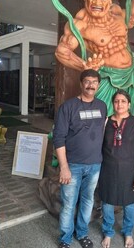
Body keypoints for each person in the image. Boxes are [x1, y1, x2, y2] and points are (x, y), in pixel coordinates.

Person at [54, 0, 134, 115]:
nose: (97, 2)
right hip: (108, 77)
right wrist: (83, 66)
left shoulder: (116, 12)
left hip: (131, 74)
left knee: (126, 116)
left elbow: (130, 20)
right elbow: (61, 52)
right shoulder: (80, 24)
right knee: (102, 116)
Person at [53, 69, 107, 248]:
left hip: (94, 165)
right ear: (81, 84)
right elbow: (58, 137)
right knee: (69, 203)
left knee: (87, 200)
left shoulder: (102, 106)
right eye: (87, 81)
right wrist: (64, 167)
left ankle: (82, 233)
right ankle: (65, 239)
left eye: (94, 82)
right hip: (73, 165)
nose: (90, 85)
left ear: (98, 85)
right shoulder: (68, 107)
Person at [98, 90, 134, 248]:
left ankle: (128, 232)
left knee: (130, 203)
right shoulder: (106, 123)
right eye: (116, 101)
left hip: (129, 171)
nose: (119, 104)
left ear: (129, 104)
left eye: (123, 101)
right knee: (107, 201)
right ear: (113, 104)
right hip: (108, 170)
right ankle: (108, 232)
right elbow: (98, 146)